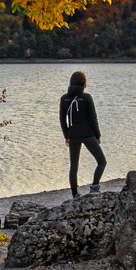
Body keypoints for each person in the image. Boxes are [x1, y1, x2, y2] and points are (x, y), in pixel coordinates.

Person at [59, 69, 106, 197]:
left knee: (73, 166)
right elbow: (93, 118)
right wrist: (98, 135)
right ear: (84, 83)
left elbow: (62, 120)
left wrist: (66, 136)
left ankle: (75, 194)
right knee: (102, 162)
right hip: (88, 134)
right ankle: (95, 188)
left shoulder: (64, 99)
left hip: (73, 135)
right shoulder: (87, 97)